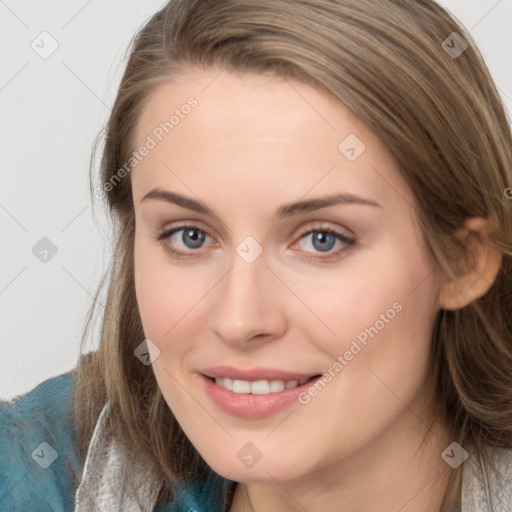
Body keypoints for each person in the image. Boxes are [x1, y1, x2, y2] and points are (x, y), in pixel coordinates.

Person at [2, 0, 512, 510]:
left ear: (463, 260)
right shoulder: (31, 471)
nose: (240, 320)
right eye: (190, 236)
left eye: (322, 239)